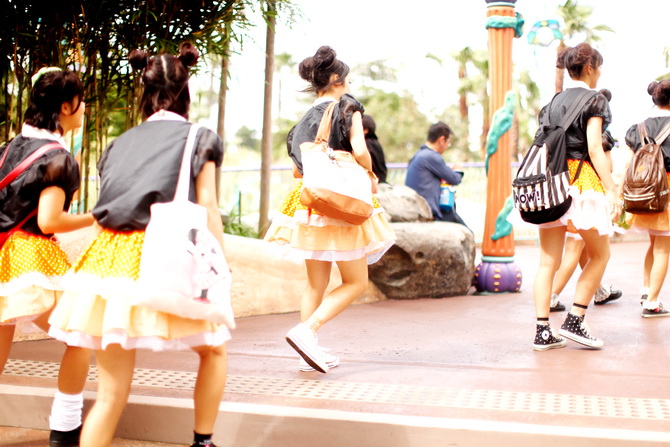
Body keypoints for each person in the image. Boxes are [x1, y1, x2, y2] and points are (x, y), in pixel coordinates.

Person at [48, 43, 229, 447]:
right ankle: (202, 442)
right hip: (164, 255)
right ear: (186, 92)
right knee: (213, 349)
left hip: (108, 261)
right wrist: (223, 264)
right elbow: (210, 207)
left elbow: (105, 205)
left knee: (110, 394)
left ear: (143, 92)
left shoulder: (119, 143)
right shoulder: (201, 137)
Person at [265, 46, 395, 373]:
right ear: (336, 80)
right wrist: (370, 173)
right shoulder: (347, 107)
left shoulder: (302, 122)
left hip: (309, 201)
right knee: (355, 281)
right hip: (342, 197)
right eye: (347, 78)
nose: (349, 84)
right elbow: (361, 151)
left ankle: (305, 352)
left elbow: (299, 168)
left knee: (315, 283)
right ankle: (307, 331)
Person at [0, 66, 94, 447]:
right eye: (82, 101)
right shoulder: (58, 158)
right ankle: (65, 426)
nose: (84, 108)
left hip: (3, 252)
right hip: (29, 255)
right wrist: (100, 216)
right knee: (81, 329)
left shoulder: (7, 148)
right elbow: (50, 219)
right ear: (68, 105)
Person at [531, 42, 620, 351]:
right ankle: (575, 319)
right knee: (600, 254)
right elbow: (595, 147)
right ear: (591, 68)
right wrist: (612, 188)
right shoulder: (595, 100)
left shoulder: (553, 102)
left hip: (551, 184)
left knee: (548, 262)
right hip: (581, 182)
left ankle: (543, 331)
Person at [549, 115, 622, 312]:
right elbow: (607, 165)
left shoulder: (563, 127)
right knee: (577, 248)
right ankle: (552, 296)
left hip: (566, 185)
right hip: (586, 190)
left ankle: (599, 289)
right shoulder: (599, 135)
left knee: (582, 249)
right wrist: (612, 190)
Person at [624, 79, 670, 317]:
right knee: (663, 248)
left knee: (654, 245)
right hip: (665, 193)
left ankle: (646, 291)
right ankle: (652, 302)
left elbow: (629, 161)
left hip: (643, 193)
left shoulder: (638, 128)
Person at [405, 122, 467, 226]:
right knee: (467, 234)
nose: (447, 146)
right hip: (429, 210)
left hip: (417, 207)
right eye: (448, 142)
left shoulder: (418, 155)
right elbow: (455, 179)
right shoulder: (431, 156)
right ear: (442, 140)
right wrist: (458, 170)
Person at [362, 114, 388, 183]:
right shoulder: (375, 143)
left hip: (373, 183)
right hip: (381, 181)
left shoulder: (365, 144)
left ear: (365, 130)